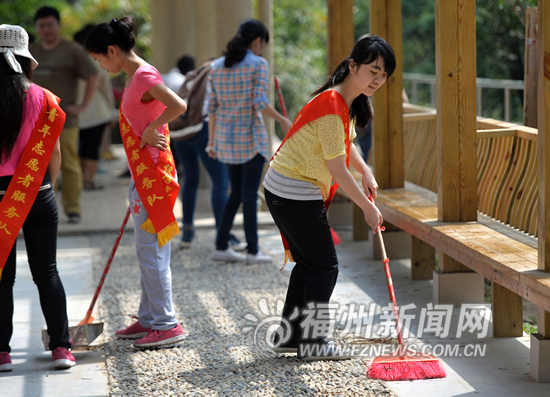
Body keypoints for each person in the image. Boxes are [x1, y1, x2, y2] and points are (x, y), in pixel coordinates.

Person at [264, 35, 396, 360]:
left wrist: (365, 170)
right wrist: (367, 208)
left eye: (383, 74)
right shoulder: (332, 104)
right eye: (372, 71)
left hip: (289, 189)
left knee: (311, 265)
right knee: (324, 267)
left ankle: (290, 337)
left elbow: (344, 144)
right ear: (353, 66)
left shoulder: (346, 101)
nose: (378, 79)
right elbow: (337, 169)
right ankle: (313, 343)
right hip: (292, 191)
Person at [84, 17, 187, 349]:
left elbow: (178, 105)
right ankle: (148, 318)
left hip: (153, 176)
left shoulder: (143, 75)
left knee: (152, 251)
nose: (100, 64)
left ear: (112, 50)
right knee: (147, 250)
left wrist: (152, 127)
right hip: (142, 174)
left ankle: (166, 323)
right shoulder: (134, 75)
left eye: (100, 59)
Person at [0, 24, 75, 371]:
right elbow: (55, 155)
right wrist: (46, 190)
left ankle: (1, 352)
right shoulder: (45, 98)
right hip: (38, 191)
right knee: (47, 272)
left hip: (0, 198)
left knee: (2, 275)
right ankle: (62, 348)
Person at [207, 19, 292, 264]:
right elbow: (259, 102)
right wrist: (281, 119)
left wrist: (212, 142)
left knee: (237, 194)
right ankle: (253, 250)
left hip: (226, 141)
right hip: (251, 140)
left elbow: (212, 108)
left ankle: (221, 245)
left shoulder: (216, 66)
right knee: (249, 195)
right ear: (257, 41)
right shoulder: (258, 64)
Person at [30, 6, 99, 223]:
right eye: (42, 26)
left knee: (68, 163)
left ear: (58, 25)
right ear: (37, 28)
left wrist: (83, 105)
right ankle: (44, 207)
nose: (46, 29)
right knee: (37, 165)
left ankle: (72, 208)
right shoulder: (29, 51)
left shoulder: (73, 50)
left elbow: (93, 74)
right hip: (34, 120)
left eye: (50, 24)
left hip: (65, 119)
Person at [170, 60, 241, 249]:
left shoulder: (194, 75)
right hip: (201, 130)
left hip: (180, 133)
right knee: (220, 180)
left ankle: (187, 234)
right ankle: (223, 235)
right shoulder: (217, 74)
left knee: (191, 180)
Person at [74, 24, 117, 190]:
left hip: (73, 111)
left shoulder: (71, 59)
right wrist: (111, 112)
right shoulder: (97, 60)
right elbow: (106, 88)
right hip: (97, 111)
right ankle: (88, 181)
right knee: (91, 149)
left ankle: (78, 182)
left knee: (76, 149)